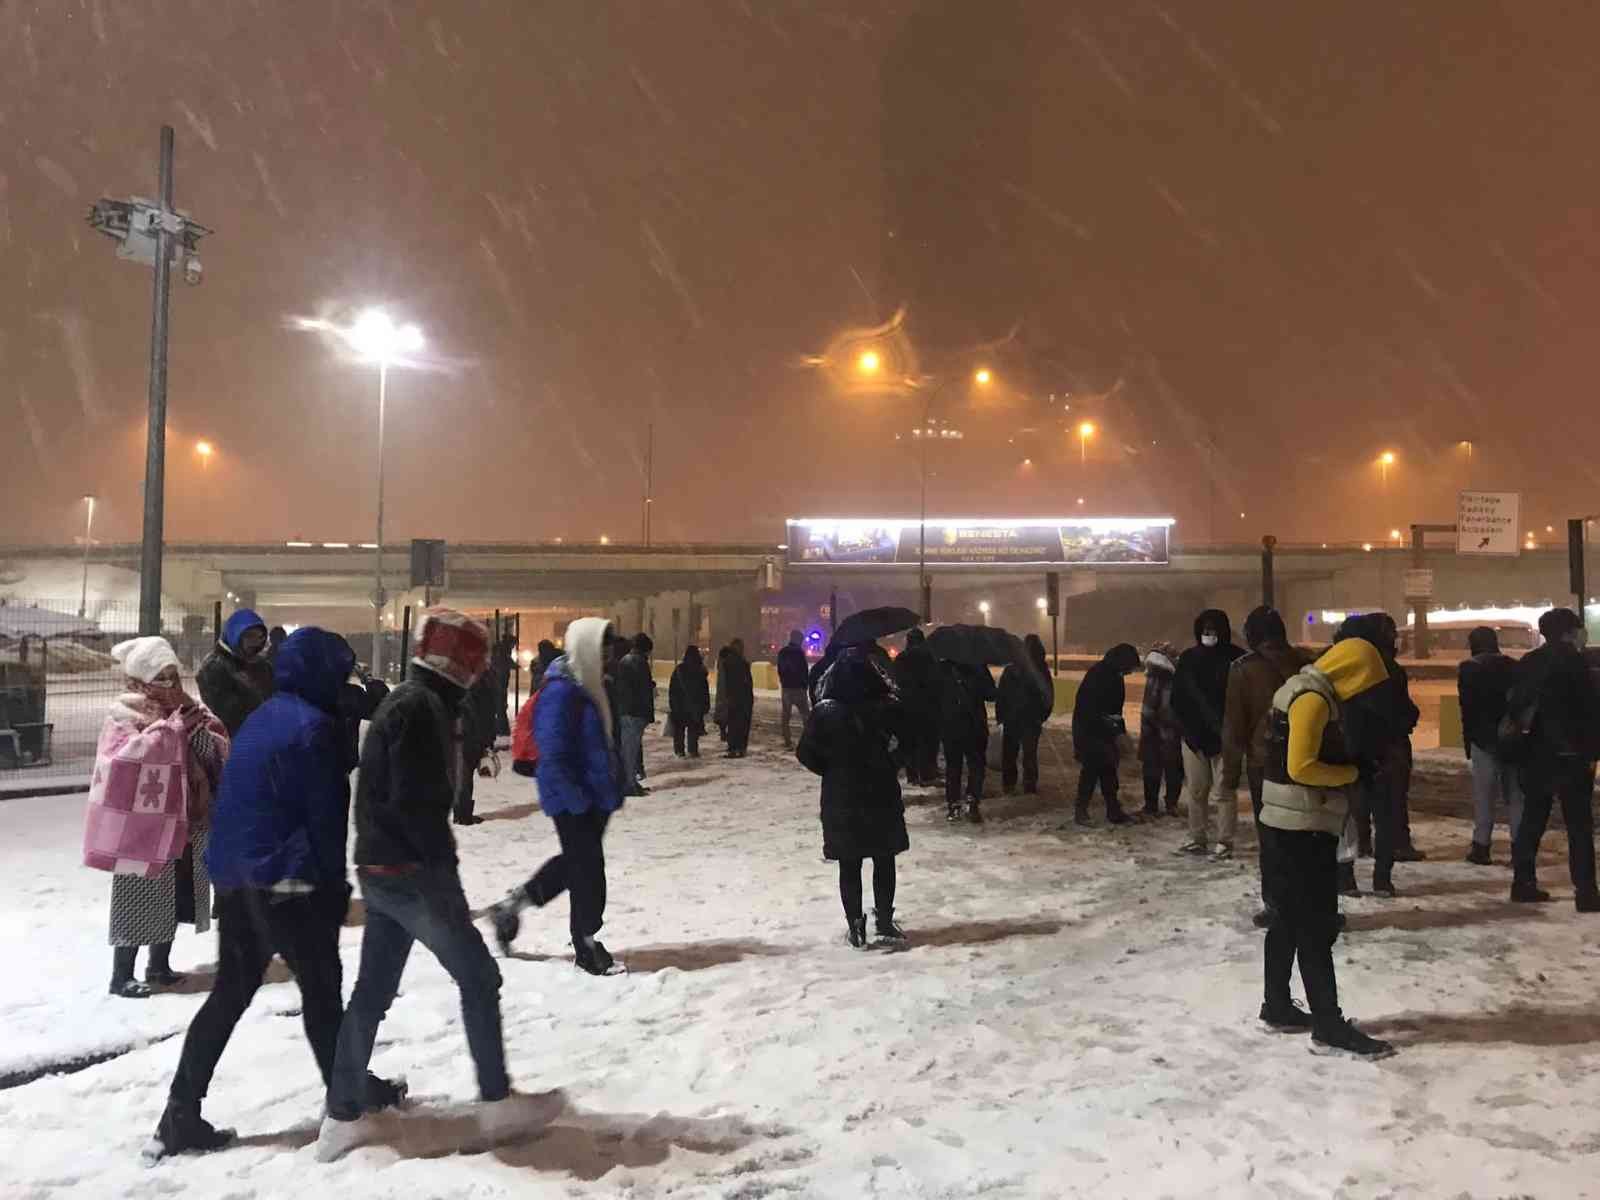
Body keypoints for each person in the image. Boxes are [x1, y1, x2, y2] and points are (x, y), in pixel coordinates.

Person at [146, 629, 402, 1161]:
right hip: (289, 882)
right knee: (323, 998)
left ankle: (179, 1113)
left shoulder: (265, 715)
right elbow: (324, 820)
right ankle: (349, 1099)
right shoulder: (314, 731)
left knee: (230, 995)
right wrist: (331, 887)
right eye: (340, 672)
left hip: (238, 878)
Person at [318, 610, 516, 1159]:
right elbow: (416, 804)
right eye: (475, 658)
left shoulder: (415, 701)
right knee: (479, 977)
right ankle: (497, 1101)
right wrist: (440, 875)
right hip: (411, 873)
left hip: (382, 870)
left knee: (373, 993)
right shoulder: (421, 708)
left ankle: (342, 1114)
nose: (480, 670)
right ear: (458, 660)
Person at [1257, 635, 1395, 1057]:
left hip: (1284, 822)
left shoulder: (1300, 687)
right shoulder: (1313, 699)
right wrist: (1350, 774)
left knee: (1285, 920)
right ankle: (1329, 1025)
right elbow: (1301, 767)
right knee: (1315, 928)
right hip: (1302, 826)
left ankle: (1277, 1006)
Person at [85, 637, 229, 999]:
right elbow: (118, 762)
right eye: (159, 677)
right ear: (140, 678)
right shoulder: (126, 712)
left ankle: (159, 966)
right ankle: (121, 975)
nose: (169, 684)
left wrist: (194, 725)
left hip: (187, 819)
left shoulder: (189, 708)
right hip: (144, 824)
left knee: (175, 893)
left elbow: (214, 751)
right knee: (138, 894)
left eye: (173, 675)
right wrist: (168, 732)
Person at [490, 617, 627, 973]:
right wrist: (577, 799)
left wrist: (612, 783)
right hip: (573, 798)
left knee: (574, 864)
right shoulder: (561, 692)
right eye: (603, 647)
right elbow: (554, 753)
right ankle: (586, 945)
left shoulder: (590, 684)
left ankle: (512, 906)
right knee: (588, 870)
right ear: (585, 648)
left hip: (592, 795)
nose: (610, 655)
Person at [797, 647, 910, 947]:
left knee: (850, 864)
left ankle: (855, 926)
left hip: (842, 796)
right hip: (881, 792)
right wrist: (889, 764)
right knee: (884, 859)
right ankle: (884, 920)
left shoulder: (825, 712)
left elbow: (805, 753)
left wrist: (832, 771)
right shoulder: (888, 707)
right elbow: (909, 744)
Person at [1220, 607, 1313, 919]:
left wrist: (1230, 776)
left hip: (1266, 766)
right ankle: (1313, 904)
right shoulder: (1307, 662)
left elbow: (1234, 726)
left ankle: (1277, 906)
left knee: (1272, 839)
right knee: (1310, 836)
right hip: (1309, 760)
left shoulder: (1243, 669)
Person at [1507, 607, 1600, 909]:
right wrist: (1591, 752)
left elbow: (1515, 706)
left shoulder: (1529, 662)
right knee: (1579, 826)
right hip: (1570, 755)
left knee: (1532, 820)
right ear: (1568, 632)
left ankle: (1523, 882)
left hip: (1534, 755)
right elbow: (1588, 712)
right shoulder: (1576, 662)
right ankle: (1585, 892)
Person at [1174, 609, 1245, 859]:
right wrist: (1184, 728)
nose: (1209, 635)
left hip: (1226, 737)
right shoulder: (1188, 659)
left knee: (1224, 791)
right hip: (1193, 738)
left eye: (1213, 631)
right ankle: (1197, 837)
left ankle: (1225, 841)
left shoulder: (1237, 660)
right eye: (1205, 631)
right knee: (1196, 790)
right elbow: (1178, 698)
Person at [1458, 625, 1522, 865]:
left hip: (1482, 740)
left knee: (1484, 795)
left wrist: (1468, 742)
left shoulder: (1469, 669)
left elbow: (1467, 709)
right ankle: (1519, 847)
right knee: (1515, 796)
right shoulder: (1513, 666)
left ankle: (1481, 846)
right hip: (1511, 739)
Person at [1072, 643, 1140, 826]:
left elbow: (1114, 711)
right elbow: (1094, 709)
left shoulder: (1112, 674)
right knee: (1091, 771)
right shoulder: (1100, 675)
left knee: (1108, 771)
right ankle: (1081, 810)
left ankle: (1113, 810)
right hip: (1090, 731)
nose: (1130, 672)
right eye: (1130, 667)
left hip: (1103, 731)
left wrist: (1119, 732)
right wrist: (1117, 732)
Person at [197, 608, 274, 737]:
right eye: (249, 636)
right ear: (234, 633)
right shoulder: (214, 667)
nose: (255, 642)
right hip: (232, 741)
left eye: (259, 637)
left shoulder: (262, 665)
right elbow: (227, 713)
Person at [997, 634, 1054, 795]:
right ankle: (1029, 785)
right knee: (1029, 754)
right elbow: (1048, 695)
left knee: (1010, 753)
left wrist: (1001, 715)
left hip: (1013, 717)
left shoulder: (1011, 668)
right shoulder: (1041, 670)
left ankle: (1009, 785)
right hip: (1030, 718)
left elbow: (1002, 694)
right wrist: (1042, 716)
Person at [1137, 642, 1183, 817]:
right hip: (1168, 731)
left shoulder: (1153, 677)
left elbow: (1148, 707)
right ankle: (1169, 804)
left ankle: (1153, 805)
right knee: (1171, 769)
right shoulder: (1171, 678)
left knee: (1154, 768)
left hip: (1156, 730)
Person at [454, 662, 502, 825]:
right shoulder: (476, 684)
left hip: (468, 734)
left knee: (464, 775)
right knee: (464, 775)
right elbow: (480, 714)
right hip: (468, 735)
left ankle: (462, 812)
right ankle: (462, 814)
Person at [892, 628, 941, 785]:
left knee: (910, 741)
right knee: (927, 741)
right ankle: (927, 773)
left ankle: (912, 774)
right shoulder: (930, 658)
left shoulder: (901, 658)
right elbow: (935, 681)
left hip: (907, 705)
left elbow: (895, 681)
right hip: (927, 705)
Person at [616, 632, 657, 796]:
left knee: (629, 750)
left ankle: (631, 782)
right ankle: (628, 785)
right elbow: (642, 689)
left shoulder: (626, 660)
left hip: (627, 710)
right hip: (634, 711)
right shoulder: (637, 662)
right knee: (630, 751)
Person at [668, 645, 710, 758]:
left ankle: (679, 750)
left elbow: (673, 689)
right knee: (693, 729)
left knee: (679, 730)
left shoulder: (679, 670)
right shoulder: (700, 670)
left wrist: (673, 704)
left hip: (680, 705)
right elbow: (704, 690)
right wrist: (705, 705)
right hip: (694, 705)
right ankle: (693, 750)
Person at [777, 630, 812, 750]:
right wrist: (805, 685)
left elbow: (780, 670)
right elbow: (804, 671)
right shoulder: (799, 653)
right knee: (805, 715)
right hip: (799, 688)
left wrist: (784, 682)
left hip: (787, 688)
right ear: (798, 639)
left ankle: (787, 740)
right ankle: (809, 740)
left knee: (786, 716)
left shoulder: (782, 652)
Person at [722, 638, 756, 757]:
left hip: (734, 698)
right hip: (742, 698)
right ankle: (740, 748)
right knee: (742, 724)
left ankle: (733, 747)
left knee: (733, 724)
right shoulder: (741, 663)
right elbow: (747, 682)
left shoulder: (727, 661)